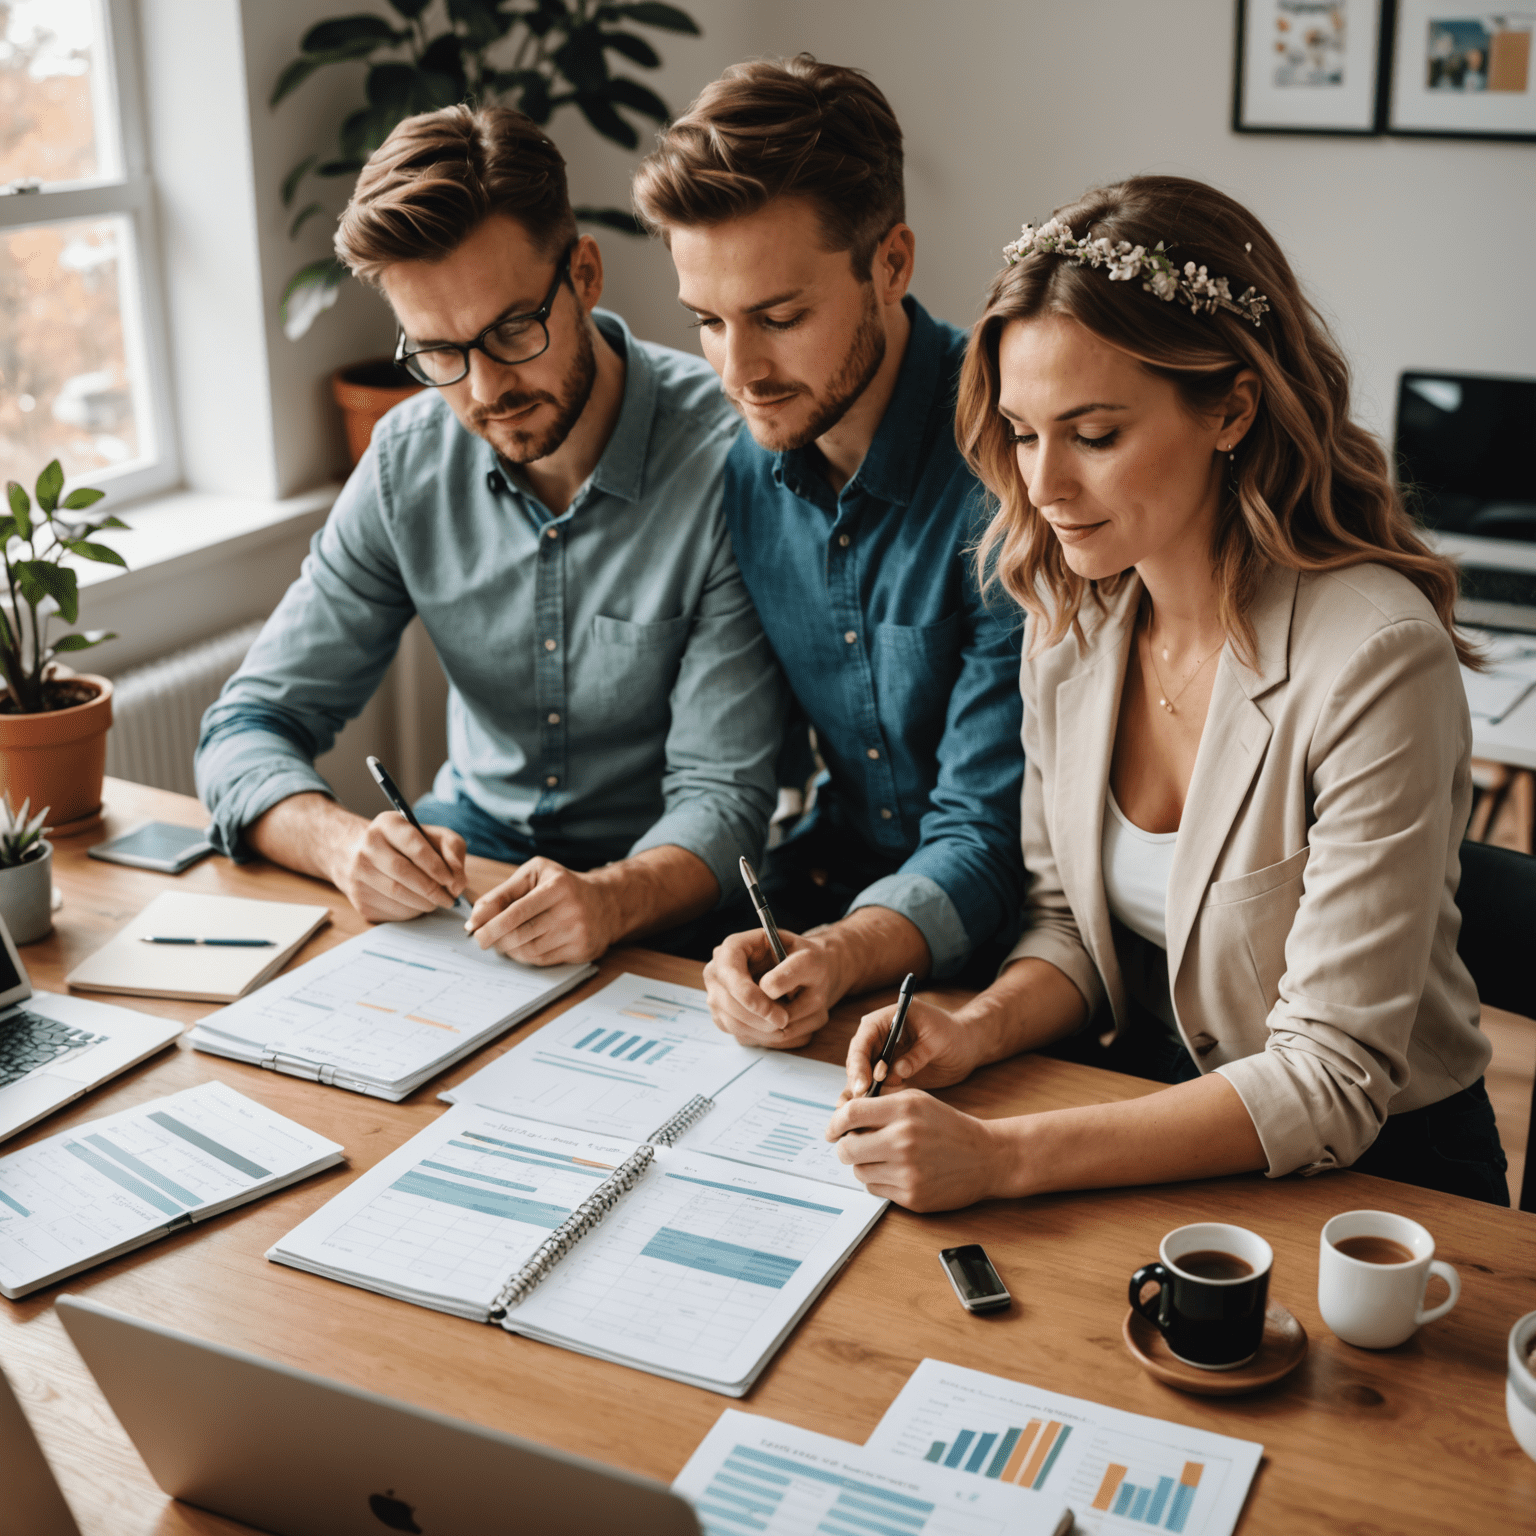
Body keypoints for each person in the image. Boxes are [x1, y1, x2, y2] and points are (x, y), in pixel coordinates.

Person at [828, 175, 1508, 1209]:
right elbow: (1071, 924)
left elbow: (1329, 1079)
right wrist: (979, 1026)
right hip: (1156, 1122)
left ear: (1231, 407)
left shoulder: (1376, 659)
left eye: (1094, 435)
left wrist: (1005, 1157)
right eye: (1021, 431)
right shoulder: (1071, 616)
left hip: (1383, 1189)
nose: (1044, 486)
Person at [196, 105, 785, 966]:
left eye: (513, 329)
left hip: (664, 926)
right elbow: (247, 725)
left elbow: (724, 801)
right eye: (438, 352)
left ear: (584, 273)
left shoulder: (730, 462)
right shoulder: (406, 463)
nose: (484, 389)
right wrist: (343, 846)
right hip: (461, 900)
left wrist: (608, 900)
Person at [632, 55, 1026, 1049]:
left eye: (780, 318)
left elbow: (989, 837)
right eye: (708, 323)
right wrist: (765, 937)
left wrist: (842, 952)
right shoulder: (746, 474)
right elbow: (733, 772)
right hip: (833, 911)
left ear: (891, 264)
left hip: (1014, 966)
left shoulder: (1017, 466)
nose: (741, 370)